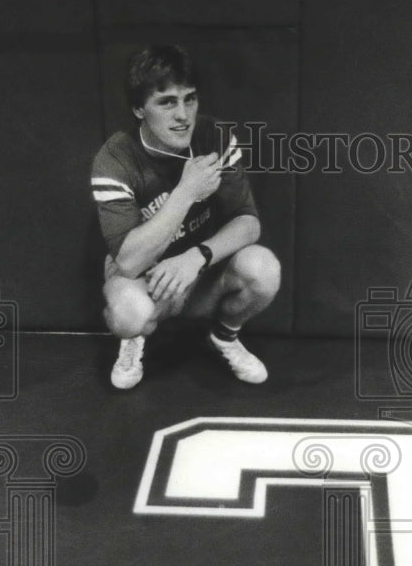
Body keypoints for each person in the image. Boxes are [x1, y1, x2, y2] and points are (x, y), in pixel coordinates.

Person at [91, 44, 280, 389]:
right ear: (139, 109)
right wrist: (186, 193)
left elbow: (248, 222)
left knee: (264, 268)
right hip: (149, 282)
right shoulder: (115, 160)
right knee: (128, 313)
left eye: (189, 99)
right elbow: (130, 262)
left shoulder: (214, 137)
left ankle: (224, 337)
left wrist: (197, 256)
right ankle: (133, 341)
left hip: (202, 273)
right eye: (167, 102)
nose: (183, 115)